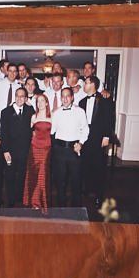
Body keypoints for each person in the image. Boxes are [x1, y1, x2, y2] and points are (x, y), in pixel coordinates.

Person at [50, 75, 89, 207]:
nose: (65, 98)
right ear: (60, 98)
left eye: (68, 96)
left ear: (72, 97)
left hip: (74, 150)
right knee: (60, 181)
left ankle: (76, 208)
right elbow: (52, 131)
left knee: (76, 181)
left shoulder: (80, 111)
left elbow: (85, 129)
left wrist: (81, 143)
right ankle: (61, 206)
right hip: (59, 150)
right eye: (63, 96)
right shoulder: (56, 113)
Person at [81, 74, 118, 211]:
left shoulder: (105, 100)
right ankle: (88, 189)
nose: (84, 85)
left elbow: (109, 119)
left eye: (86, 82)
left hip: (99, 137)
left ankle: (99, 195)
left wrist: (107, 136)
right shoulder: (82, 102)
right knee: (86, 164)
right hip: (86, 138)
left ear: (93, 85)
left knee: (99, 167)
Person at [0, 78, 32, 207]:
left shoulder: (30, 111)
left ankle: (19, 196)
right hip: (11, 151)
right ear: (15, 97)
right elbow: (3, 133)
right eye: (17, 96)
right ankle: (11, 199)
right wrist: (5, 150)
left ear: (25, 98)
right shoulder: (6, 112)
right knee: (10, 175)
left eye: (22, 96)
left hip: (25, 151)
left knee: (22, 175)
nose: (19, 98)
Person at [24, 80, 53, 213]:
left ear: (46, 102)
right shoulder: (33, 116)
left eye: (42, 101)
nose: (40, 103)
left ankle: (42, 203)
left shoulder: (52, 116)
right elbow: (28, 132)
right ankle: (34, 202)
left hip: (46, 149)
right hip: (34, 148)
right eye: (38, 101)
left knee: (43, 175)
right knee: (33, 175)